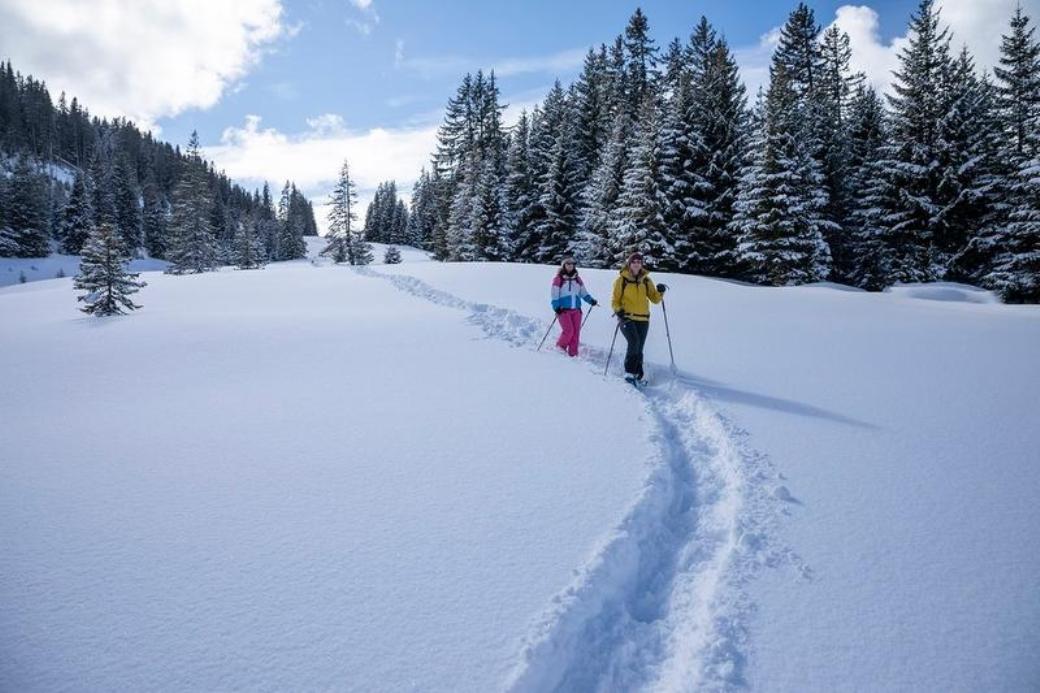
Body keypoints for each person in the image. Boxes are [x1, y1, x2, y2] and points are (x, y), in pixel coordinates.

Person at [611, 252, 667, 384]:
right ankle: (629, 373)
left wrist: (660, 292)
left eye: (639, 262)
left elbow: (654, 299)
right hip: (627, 318)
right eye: (634, 262)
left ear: (641, 264)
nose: (636, 264)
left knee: (639, 347)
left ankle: (637, 374)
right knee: (634, 342)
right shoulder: (621, 280)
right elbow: (615, 300)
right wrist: (619, 311)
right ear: (629, 264)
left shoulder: (646, 280)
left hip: (643, 319)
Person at [550, 257, 598, 357]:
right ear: (564, 265)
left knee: (576, 333)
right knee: (568, 331)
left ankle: (573, 354)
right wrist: (556, 307)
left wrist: (591, 300)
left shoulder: (577, 279)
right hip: (563, 310)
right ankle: (560, 348)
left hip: (576, 310)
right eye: (568, 264)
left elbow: (583, 293)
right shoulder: (559, 279)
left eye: (572, 264)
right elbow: (554, 295)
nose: (570, 266)